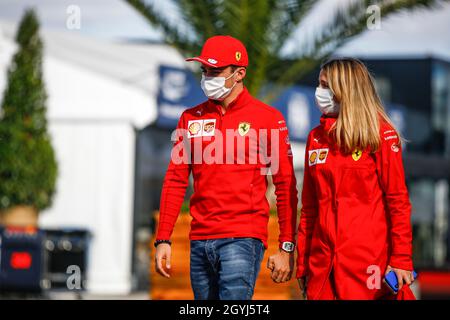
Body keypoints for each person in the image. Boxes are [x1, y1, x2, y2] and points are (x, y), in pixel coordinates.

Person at [154, 35, 298, 300]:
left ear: (239, 73)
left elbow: (285, 183)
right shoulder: (190, 118)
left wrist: (286, 246)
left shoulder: (268, 119)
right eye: (205, 71)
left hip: (242, 238)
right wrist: (163, 238)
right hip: (199, 239)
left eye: (216, 71)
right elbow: (175, 180)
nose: (208, 77)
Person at [296, 58, 416, 300]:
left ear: (346, 89)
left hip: (369, 265)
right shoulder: (315, 138)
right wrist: (302, 262)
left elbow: (398, 202)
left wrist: (401, 258)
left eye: (326, 86)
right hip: (322, 265)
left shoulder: (381, 135)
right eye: (319, 84)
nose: (319, 92)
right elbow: (309, 208)